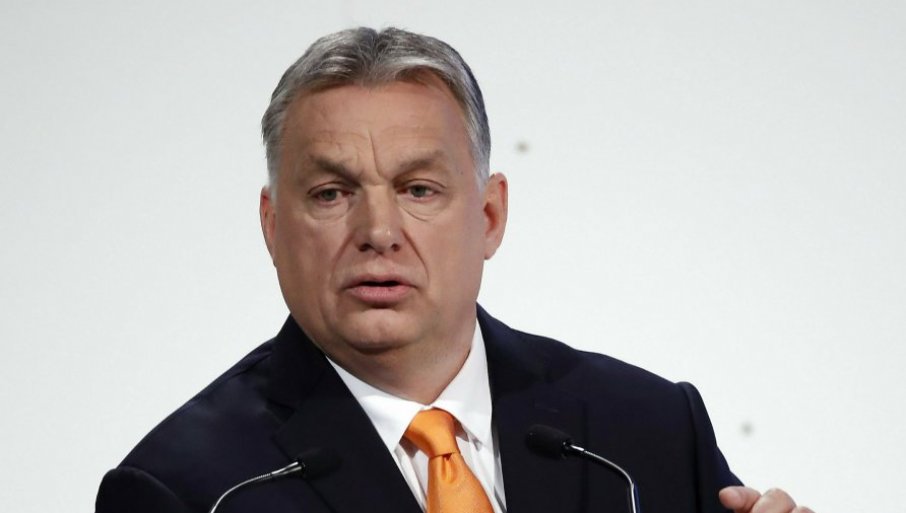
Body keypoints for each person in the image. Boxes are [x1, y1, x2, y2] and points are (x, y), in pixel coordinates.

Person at [95, 27, 813, 513]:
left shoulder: (647, 430)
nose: (378, 233)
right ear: (273, 226)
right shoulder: (186, 489)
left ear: (490, 216)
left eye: (418, 189)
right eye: (331, 194)